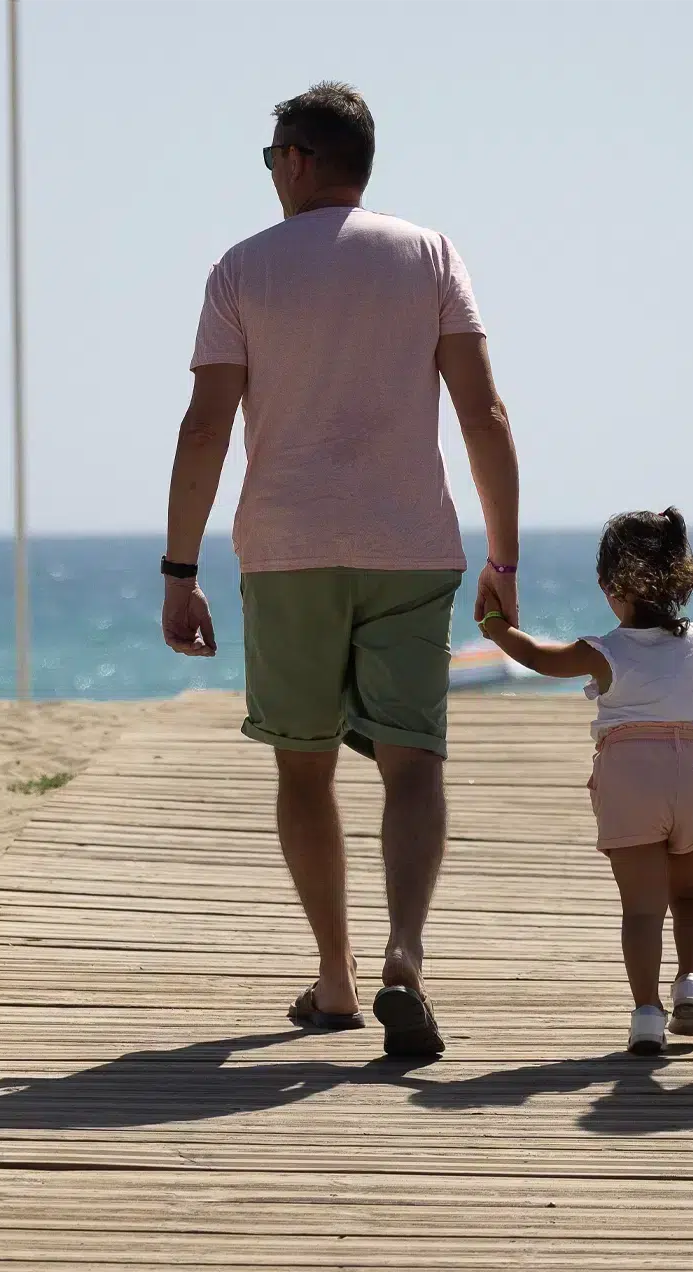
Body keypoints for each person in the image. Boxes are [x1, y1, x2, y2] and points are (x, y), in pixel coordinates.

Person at [159, 83, 522, 1057]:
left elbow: (206, 425)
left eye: (273, 153)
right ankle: (405, 950)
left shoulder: (241, 270)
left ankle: (335, 976)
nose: (272, 170)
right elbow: (484, 414)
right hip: (411, 543)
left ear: (300, 158)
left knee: (304, 763)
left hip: (287, 550)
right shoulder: (430, 254)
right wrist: (504, 556)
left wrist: (178, 567)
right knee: (412, 762)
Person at [479, 509, 693, 1055]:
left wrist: (494, 627)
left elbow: (536, 656)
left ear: (610, 586)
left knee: (642, 908)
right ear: (680, 578)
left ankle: (647, 1013)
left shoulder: (604, 650)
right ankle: (691, 983)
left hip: (630, 775)